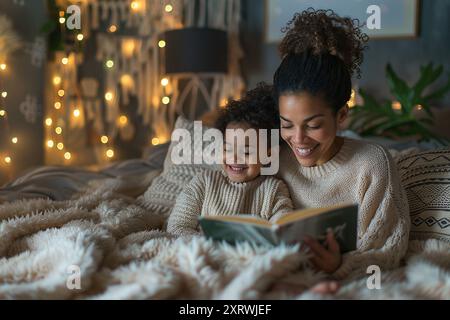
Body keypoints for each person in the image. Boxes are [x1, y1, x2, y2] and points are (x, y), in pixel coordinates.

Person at [272, 9, 410, 290]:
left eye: (312, 125)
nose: (298, 139)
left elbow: (388, 249)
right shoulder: (273, 156)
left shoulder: (372, 163)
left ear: (342, 116)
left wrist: (339, 267)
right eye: (287, 124)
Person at [167, 84, 294, 235]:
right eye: (227, 148)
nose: (234, 157)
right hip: (204, 250)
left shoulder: (273, 190)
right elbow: (177, 226)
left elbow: (283, 227)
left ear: (269, 154)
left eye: (246, 152)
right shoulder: (204, 182)